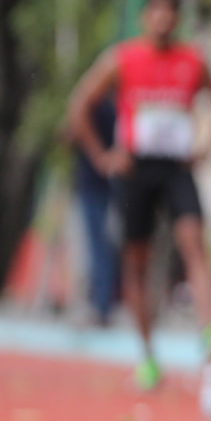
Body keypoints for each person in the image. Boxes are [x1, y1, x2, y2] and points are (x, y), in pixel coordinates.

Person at [67, 0, 211, 391]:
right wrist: (103, 155)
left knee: (193, 242)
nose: (162, 18)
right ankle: (147, 358)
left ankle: (209, 332)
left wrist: (205, 147)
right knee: (135, 262)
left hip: (176, 167)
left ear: (177, 18)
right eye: (155, 10)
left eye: (170, 11)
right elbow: (78, 107)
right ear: (144, 16)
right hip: (135, 169)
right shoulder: (121, 59)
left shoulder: (193, 61)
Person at [71, 95, 121, 326]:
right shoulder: (96, 104)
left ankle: (101, 304)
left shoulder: (113, 105)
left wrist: (100, 157)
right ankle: (98, 303)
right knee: (97, 245)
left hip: (108, 186)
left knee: (100, 245)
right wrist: (99, 155)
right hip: (94, 184)